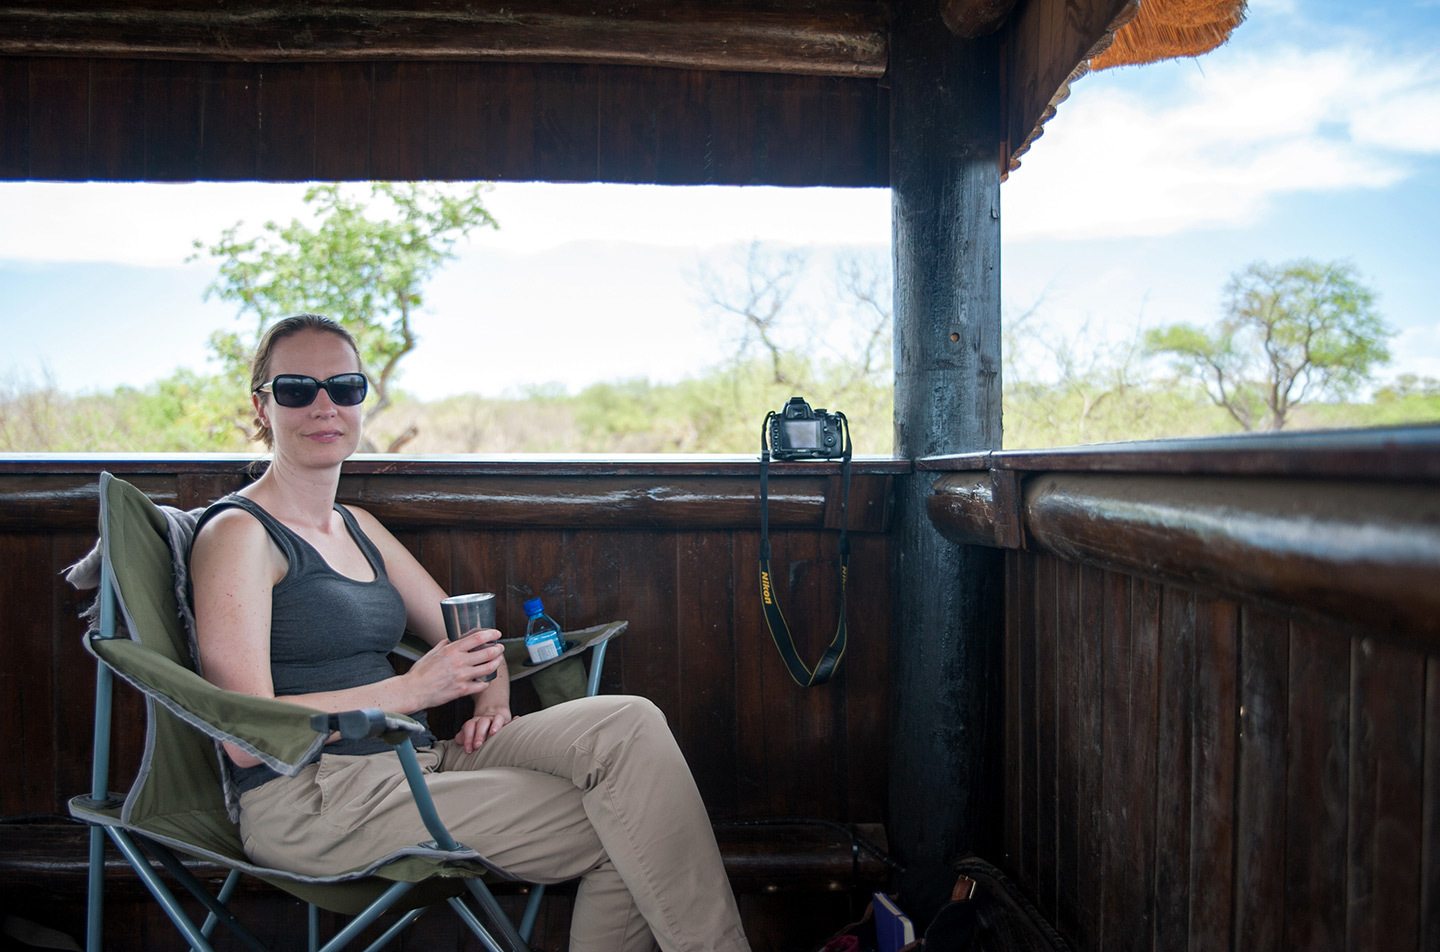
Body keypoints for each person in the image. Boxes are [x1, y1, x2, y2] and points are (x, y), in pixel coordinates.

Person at [188, 314, 750, 952]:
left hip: (417, 762)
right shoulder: (238, 534)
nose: (325, 405)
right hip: (315, 800)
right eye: (296, 389)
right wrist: (407, 692)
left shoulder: (357, 526)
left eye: (345, 387)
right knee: (637, 828)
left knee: (629, 723)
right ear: (261, 405)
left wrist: (492, 697)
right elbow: (243, 734)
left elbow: (472, 636)